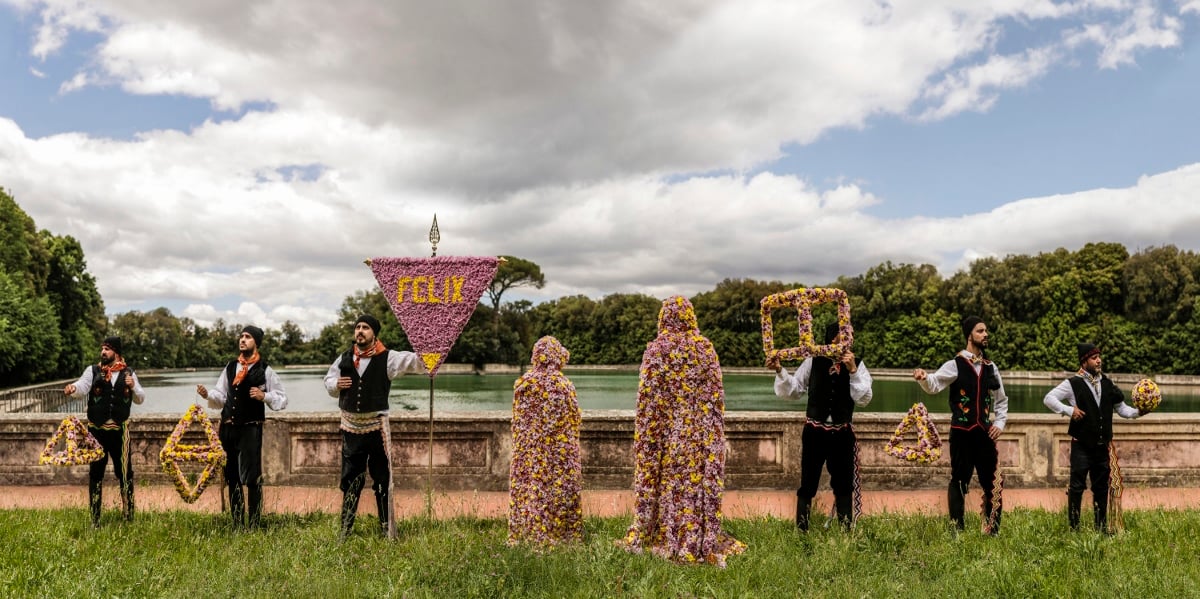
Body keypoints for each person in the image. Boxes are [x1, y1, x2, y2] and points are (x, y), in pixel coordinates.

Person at [618, 296, 745, 567]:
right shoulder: (705, 349)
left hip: (665, 438)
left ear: (663, 317)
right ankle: (694, 532)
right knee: (693, 488)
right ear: (691, 317)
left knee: (669, 487)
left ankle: (665, 532)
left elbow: (647, 403)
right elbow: (715, 401)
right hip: (698, 437)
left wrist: (654, 439)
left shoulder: (655, 351)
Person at [324, 314, 423, 540]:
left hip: (377, 429)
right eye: (357, 327)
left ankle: (386, 530)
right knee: (350, 482)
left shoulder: (388, 359)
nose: (360, 331)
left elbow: (415, 361)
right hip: (350, 429)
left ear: (374, 333)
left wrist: (431, 349)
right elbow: (328, 382)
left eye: (365, 327)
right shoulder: (344, 358)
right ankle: (345, 532)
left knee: (382, 481)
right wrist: (336, 385)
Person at [767, 322, 873, 531]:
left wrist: (852, 371)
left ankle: (845, 530)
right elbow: (794, 390)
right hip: (815, 431)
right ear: (833, 338)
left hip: (843, 432)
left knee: (844, 484)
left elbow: (864, 399)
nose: (849, 339)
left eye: (850, 335)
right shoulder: (813, 361)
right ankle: (802, 530)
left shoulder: (858, 365)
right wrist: (780, 370)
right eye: (845, 335)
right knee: (808, 482)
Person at [912, 315, 1008, 534]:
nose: (986, 335)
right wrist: (924, 377)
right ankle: (957, 530)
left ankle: (993, 529)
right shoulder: (954, 364)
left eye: (986, 331)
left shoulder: (991, 367)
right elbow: (934, 384)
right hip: (961, 433)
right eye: (980, 331)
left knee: (993, 482)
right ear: (969, 335)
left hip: (984, 434)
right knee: (959, 481)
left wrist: (1000, 423)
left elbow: (1001, 399)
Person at [1043, 343, 1145, 532]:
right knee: (1076, 486)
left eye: (1099, 356)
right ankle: (1074, 528)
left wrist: (1140, 411)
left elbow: (1122, 409)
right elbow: (1049, 398)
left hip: (1101, 446)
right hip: (1081, 445)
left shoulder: (1107, 383)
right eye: (1094, 358)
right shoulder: (1072, 383)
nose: (1099, 360)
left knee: (1101, 488)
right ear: (1084, 361)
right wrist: (1068, 410)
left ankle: (1101, 528)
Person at [196, 325, 288, 529]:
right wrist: (207, 395)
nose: (242, 340)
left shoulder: (266, 370)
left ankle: (254, 524)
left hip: (250, 429)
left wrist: (264, 396)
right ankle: (237, 522)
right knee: (232, 476)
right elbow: (221, 396)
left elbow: (283, 399)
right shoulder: (230, 367)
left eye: (247, 337)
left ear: (256, 342)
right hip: (228, 429)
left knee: (252, 477)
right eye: (241, 336)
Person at [507, 336, 582, 547]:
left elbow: (518, 422)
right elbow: (574, 419)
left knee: (530, 488)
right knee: (558, 489)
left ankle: (525, 528)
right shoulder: (564, 385)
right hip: (558, 452)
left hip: (529, 451)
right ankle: (560, 532)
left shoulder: (523, 385)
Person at [63, 336, 146, 528]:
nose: (103, 352)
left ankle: (128, 514)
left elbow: (141, 398)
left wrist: (133, 386)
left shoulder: (129, 373)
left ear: (116, 353)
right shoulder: (93, 371)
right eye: (102, 348)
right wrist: (72, 388)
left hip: (119, 432)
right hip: (96, 433)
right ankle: (95, 519)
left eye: (107, 349)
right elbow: (82, 387)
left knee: (125, 473)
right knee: (96, 474)